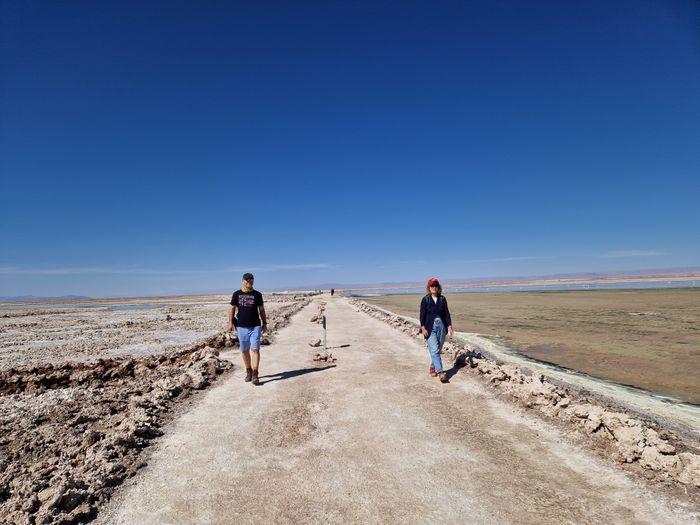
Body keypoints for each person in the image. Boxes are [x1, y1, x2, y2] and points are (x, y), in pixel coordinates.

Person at [228, 273, 267, 385]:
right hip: (241, 326)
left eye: (251, 280)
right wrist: (230, 322)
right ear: (243, 281)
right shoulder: (237, 294)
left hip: (255, 325)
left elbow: (262, 310)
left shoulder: (257, 295)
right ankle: (248, 370)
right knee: (244, 350)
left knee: (255, 349)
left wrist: (264, 323)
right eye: (247, 280)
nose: (249, 282)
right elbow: (232, 309)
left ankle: (255, 373)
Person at [419, 278, 453, 383]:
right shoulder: (426, 299)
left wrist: (449, 326)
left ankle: (432, 367)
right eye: (432, 286)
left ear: (438, 287)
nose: (434, 287)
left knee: (437, 350)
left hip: (442, 326)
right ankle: (441, 372)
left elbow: (446, 313)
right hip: (430, 327)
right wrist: (423, 328)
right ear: (429, 288)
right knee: (434, 350)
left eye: (436, 286)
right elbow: (422, 315)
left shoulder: (442, 299)